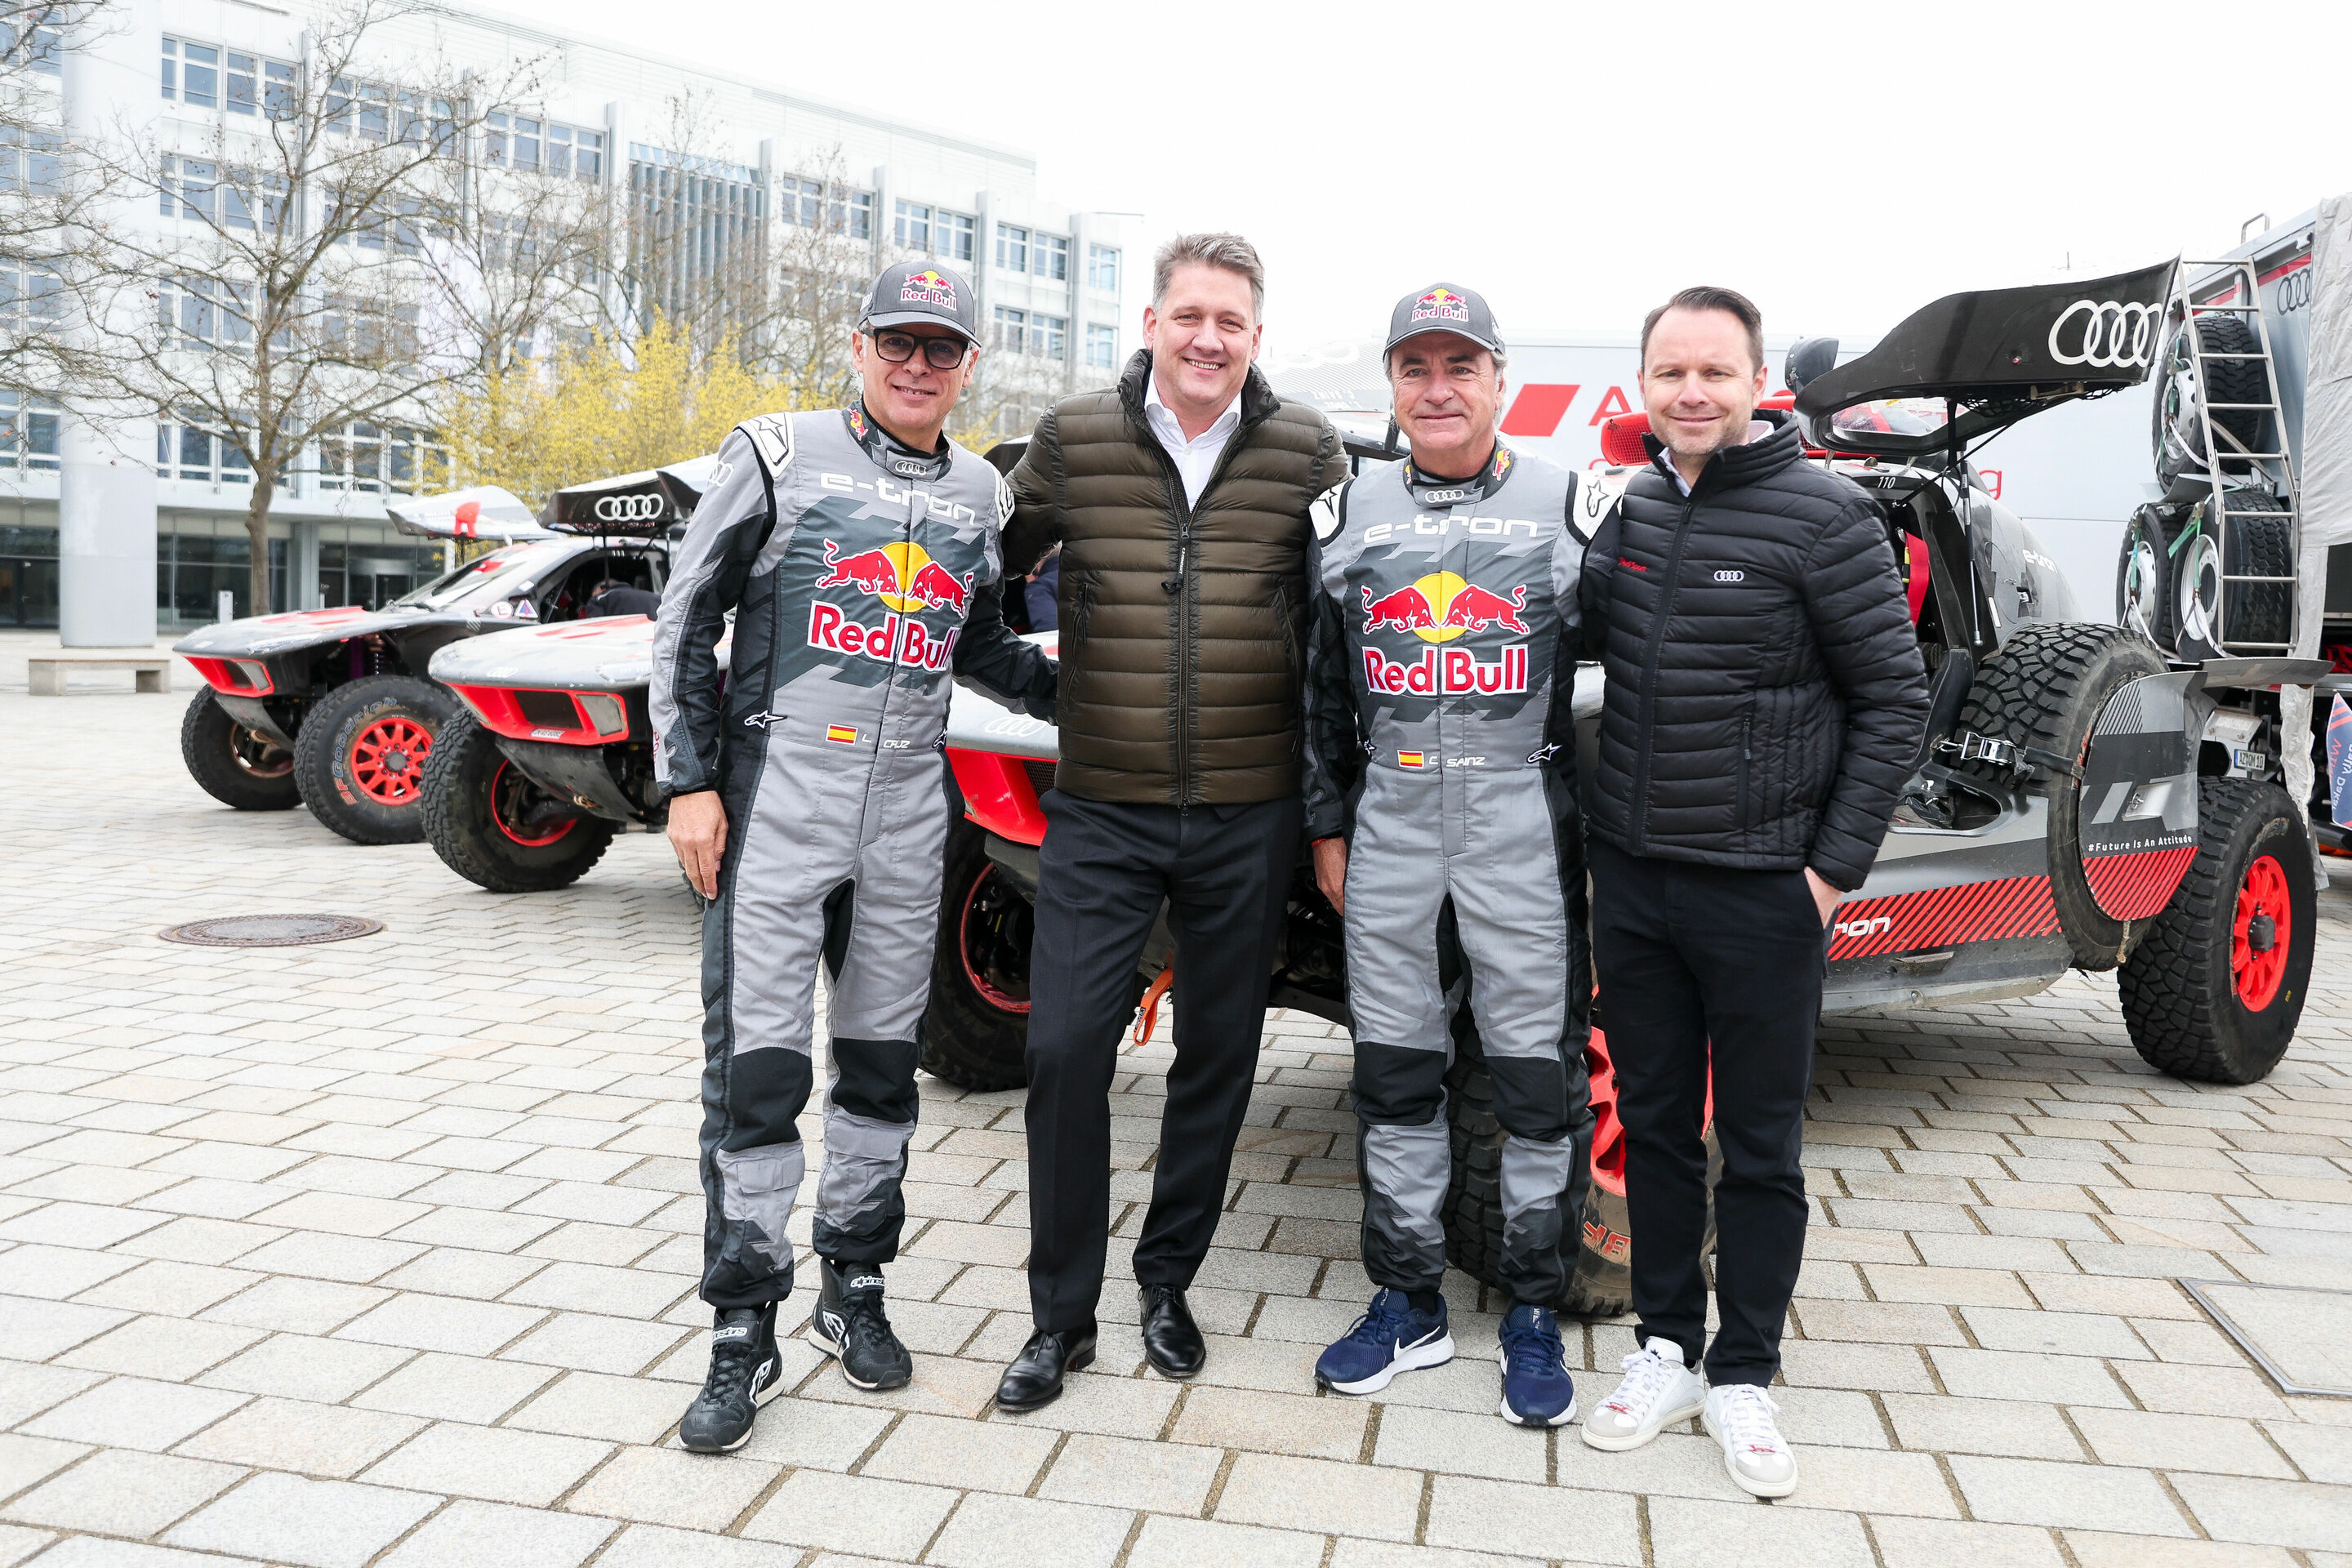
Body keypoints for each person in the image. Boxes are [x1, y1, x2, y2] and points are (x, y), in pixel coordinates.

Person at [649, 260, 1057, 1453]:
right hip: (778, 796)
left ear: (969, 365)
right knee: (758, 1075)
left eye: (943, 348)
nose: (918, 365)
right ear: (861, 346)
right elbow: (686, 617)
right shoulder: (777, 453)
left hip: (910, 810)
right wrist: (687, 784)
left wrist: (1091, 697)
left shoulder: (982, 491)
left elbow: (980, 643)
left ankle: (854, 1285)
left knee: (882, 1070)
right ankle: (742, 1327)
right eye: (899, 342)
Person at [1575, 287, 1927, 1495]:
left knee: (1763, 1147)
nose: (1691, 393)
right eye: (1670, 372)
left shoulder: (1826, 518)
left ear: (1755, 382)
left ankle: (1744, 1374)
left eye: (1714, 372)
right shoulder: (1628, 512)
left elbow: (1894, 703)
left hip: (1766, 889)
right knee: (1658, 1130)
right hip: (1636, 881)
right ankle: (1667, 1348)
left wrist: (1828, 875)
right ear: (1644, 384)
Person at [991, 234, 1347, 1410]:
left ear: (1256, 337)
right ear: (1151, 324)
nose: (1208, 338)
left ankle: (1166, 1283)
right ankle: (1059, 1320)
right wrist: (1048, 690)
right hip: (1104, 809)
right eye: (1189, 315)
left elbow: (1339, 633)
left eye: (1230, 321)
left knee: (1219, 1056)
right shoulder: (1073, 439)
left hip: (1250, 814)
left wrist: (1325, 799)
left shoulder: (1307, 452)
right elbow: (975, 580)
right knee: (1063, 1052)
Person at [1300, 284, 1592, 1427]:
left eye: (1459, 366)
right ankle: (1408, 1299)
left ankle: (1532, 1308)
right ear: (1391, 383)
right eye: (1415, 368)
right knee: (1394, 1072)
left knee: (1534, 1080)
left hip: (1521, 822)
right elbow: (1320, 693)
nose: (1437, 389)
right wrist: (1326, 823)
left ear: (1498, 379)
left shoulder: (1572, 504)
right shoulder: (1344, 513)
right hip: (1391, 823)